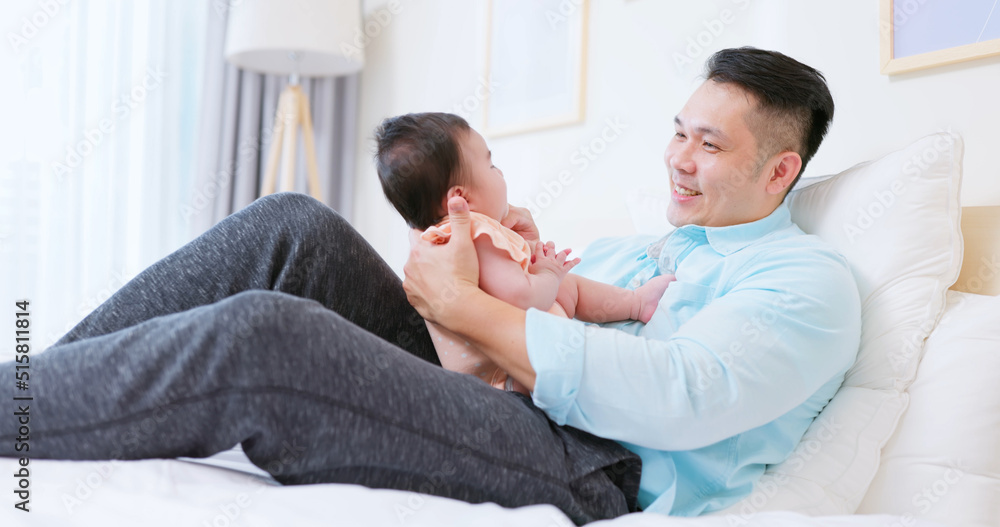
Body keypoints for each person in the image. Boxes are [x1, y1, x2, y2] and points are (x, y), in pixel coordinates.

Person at [0, 47, 860, 524]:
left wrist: (467, 306)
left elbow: (680, 396)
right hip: (494, 386)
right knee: (294, 224)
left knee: (267, 338)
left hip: (592, 459)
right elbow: (546, 300)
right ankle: (28, 411)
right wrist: (501, 274)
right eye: (680, 132)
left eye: (710, 145)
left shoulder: (807, 284)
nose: (678, 157)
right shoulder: (636, 249)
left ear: (781, 167)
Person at [373, 112, 675, 394]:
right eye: (491, 165)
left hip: (513, 356)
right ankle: (634, 306)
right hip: (507, 380)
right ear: (461, 198)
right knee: (564, 282)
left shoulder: (433, 242)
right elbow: (523, 297)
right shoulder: (475, 234)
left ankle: (635, 304)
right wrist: (549, 273)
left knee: (566, 286)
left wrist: (532, 255)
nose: (499, 171)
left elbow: (504, 287)